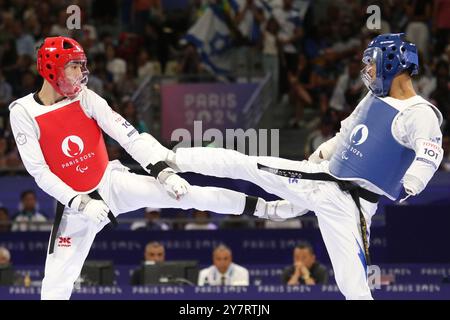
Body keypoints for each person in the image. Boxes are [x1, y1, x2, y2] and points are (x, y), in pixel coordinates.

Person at [8, 36, 289, 300]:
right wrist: (80, 203)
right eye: (74, 66)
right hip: (75, 205)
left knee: (188, 194)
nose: (81, 74)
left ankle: (265, 208)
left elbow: (130, 137)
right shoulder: (22, 112)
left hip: (111, 182)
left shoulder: (86, 97)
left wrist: (163, 173)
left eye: (82, 65)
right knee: (55, 285)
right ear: (51, 69)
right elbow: (39, 173)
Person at [168, 33, 443, 299]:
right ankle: (173, 159)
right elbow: (345, 135)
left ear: (391, 62)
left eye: (372, 61)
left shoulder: (419, 112)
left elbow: (429, 153)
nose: (368, 69)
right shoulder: (373, 99)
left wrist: (411, 185)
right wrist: (315, 159)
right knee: (248, 166)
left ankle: (263, 206)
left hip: (354, 207)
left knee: (355, 289)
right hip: (324, 181)